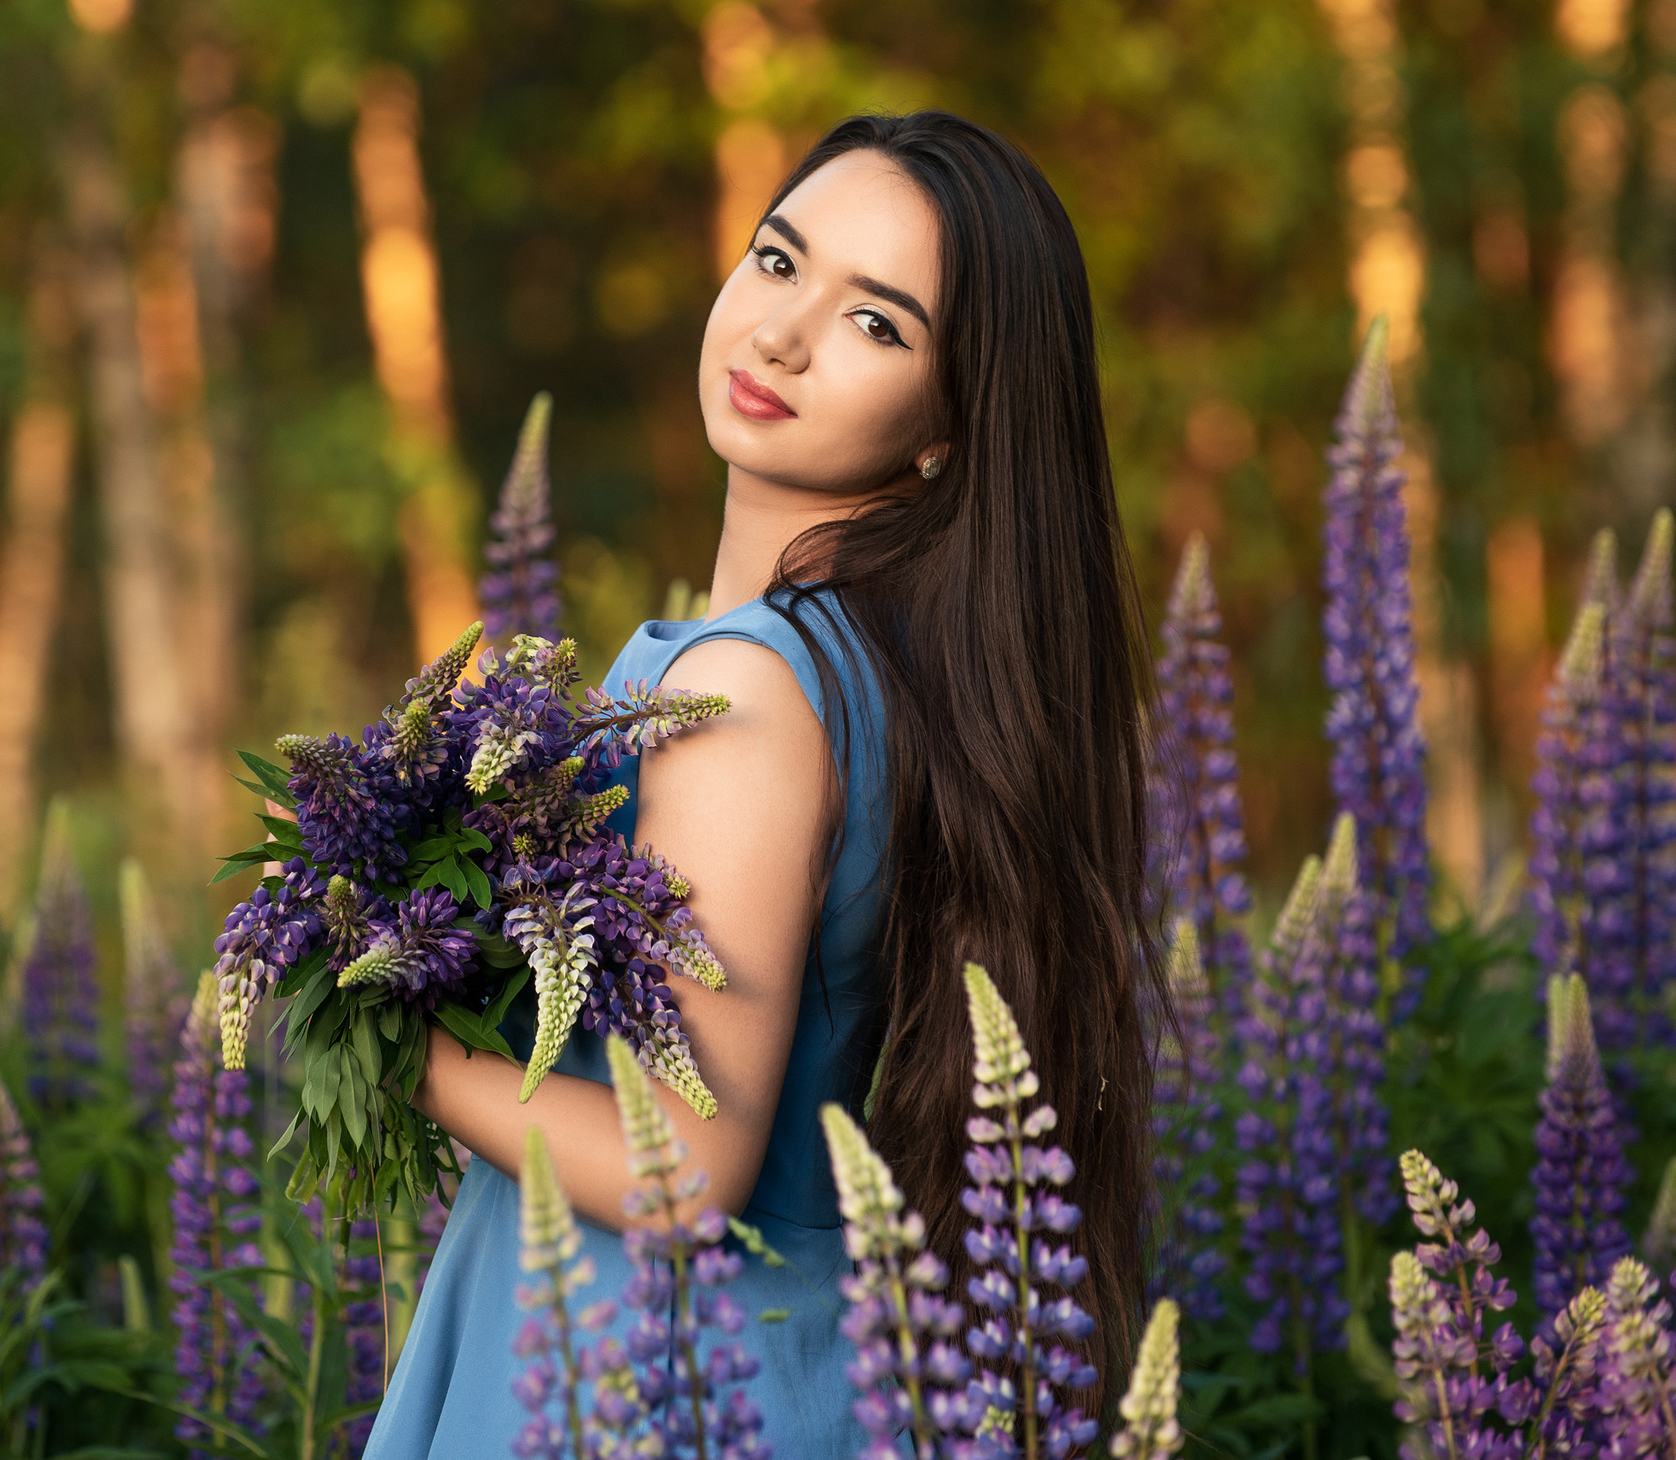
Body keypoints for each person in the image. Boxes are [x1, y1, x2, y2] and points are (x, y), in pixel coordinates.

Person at [366, 111, 1158, 1456]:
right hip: (781, 1363)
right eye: (780, 261)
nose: (781, 334)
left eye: (878, 324)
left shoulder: (746, 690)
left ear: (950, 426)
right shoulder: (872, 667)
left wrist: (384, 1022)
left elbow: (682, 1161)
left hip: (639, 1372)